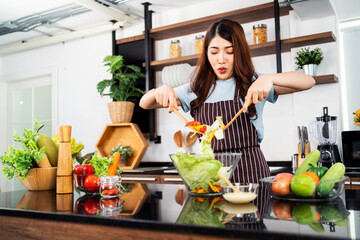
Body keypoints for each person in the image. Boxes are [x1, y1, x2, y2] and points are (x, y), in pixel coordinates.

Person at [140, 19, 315, 184]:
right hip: (210, 172)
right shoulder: (196, 89)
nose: (221, 59)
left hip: (250, 171)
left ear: (239, 52)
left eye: (229, 51)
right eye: (214, 52)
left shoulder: (253, 84)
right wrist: (161, 89)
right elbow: (144, 103)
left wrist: (267, 78)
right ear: (207, 53)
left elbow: (308, 81)